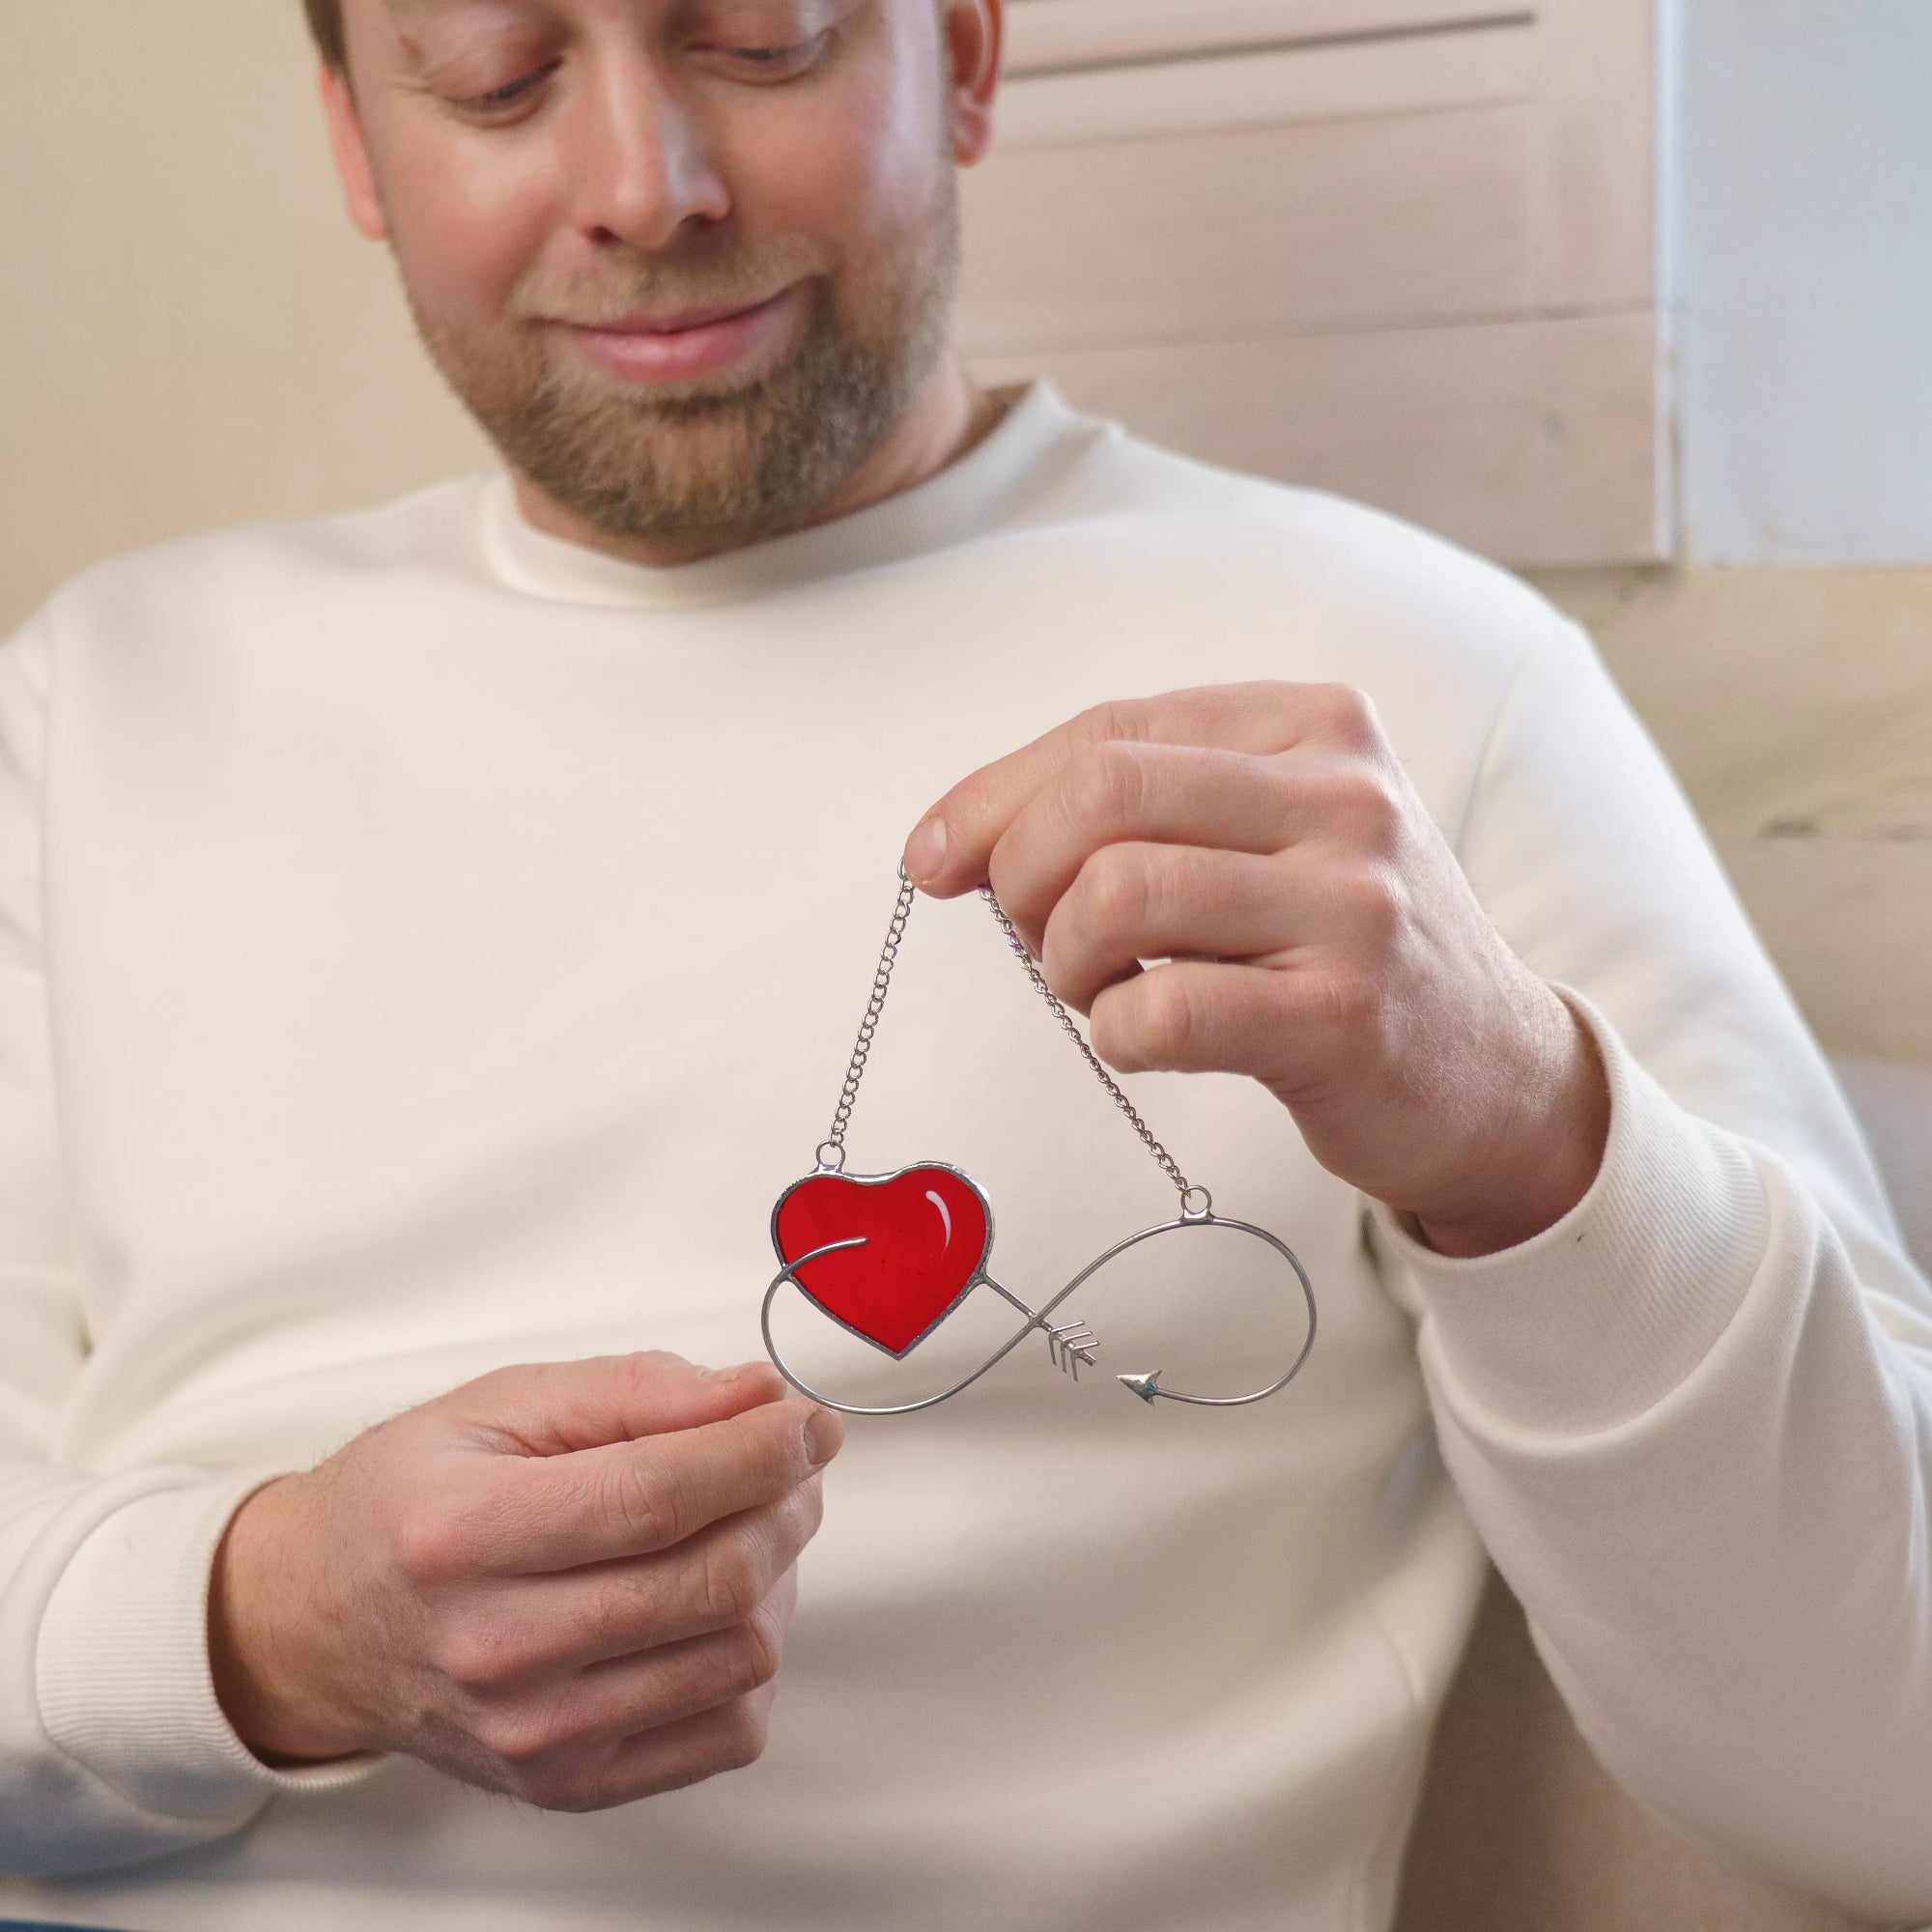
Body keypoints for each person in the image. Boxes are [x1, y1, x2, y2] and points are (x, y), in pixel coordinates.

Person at [1, 0, 1928, 1926]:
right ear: (355, 139)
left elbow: (1886, 1772)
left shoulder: (1413, 688)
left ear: (967, 59)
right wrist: (261, 1628)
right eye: (497, 78)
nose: (643, 190)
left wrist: (1522, 1127)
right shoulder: (99, 700)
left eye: (757, 42)